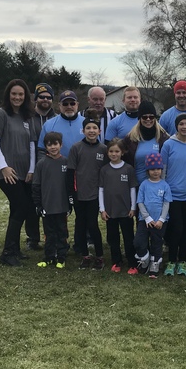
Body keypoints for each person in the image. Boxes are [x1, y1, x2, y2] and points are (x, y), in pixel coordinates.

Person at [0, 78, 37, 267]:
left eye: (21, 94)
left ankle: (15, 249)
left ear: (25, 97)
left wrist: (32, 169)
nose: (17, 97)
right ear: (8, 95)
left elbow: (32, 144)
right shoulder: (0, 114)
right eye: (14, 94)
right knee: (21, 206)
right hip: (6, 172)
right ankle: (7, 253)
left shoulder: (27, 117)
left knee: (20, 209)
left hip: (25, 172)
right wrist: (3, 166)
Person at [161, 113, 186, 276]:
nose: (184, 127)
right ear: (176, 126)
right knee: (175, 229)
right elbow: (162, 169)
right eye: (181, 124)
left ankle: (182, 261)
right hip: (172, 195)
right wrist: (163, 191)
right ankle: (171, 261)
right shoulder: (168, 144)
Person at [67, 112, 109, 270]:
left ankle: (99, 256)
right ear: (83, 131)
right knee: (80, 225)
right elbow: (70, 173)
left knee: (92, 225)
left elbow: (106, 173)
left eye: (95, 128)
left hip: (95, 195)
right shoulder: (76, 148)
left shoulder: (104, 149)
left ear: (99, 131)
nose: (91, 131)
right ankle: (85, 255)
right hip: (79, 194)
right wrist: (72, 194)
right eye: (88, 128)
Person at [99, 139, 138, 274]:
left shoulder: (128, 169)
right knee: (113, 238)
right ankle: (117, 261)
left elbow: (132, 189)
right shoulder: (104, 170)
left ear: (122, 152)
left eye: (117, 151)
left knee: (129, 238)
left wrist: (133, 207)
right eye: (111, 151)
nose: (114, 154)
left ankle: (132, 262)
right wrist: (102, 209)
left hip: (126, 211)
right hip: (110, 212)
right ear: (107, 152)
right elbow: (101, 190)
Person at [25, 82, 56, 251]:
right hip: (32, 167)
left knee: (51, 204)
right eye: (42, 97)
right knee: (33, 204)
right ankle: (33, 237)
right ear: (36, 99)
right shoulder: (27, 117)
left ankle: (53, 237)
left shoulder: (56, 118)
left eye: (48, 97)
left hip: (51, 168)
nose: (45, 100)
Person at [32, 131, 69, 268]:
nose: (53, 147)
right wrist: (38, 204)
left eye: (55, 144)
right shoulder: (41, 164)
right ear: (45, 147)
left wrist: (70, 203)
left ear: (61, 145)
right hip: (47, 206)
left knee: (62, 232)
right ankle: (48, 256)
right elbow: (36, 185)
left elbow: (70, 185)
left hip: (62, 206)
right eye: (49, 145)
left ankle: (61, 257)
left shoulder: (66, 162)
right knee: (49, 232)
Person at [134, 153, 173, 279]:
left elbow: (166, 204)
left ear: (161, 169)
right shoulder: (144, 185)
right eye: (152, 169)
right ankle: (144, 259)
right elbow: (140, 202)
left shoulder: (165, 185)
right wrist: (147, 218)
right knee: (139, 242)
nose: (155, 172)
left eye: (158, 169)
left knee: (157, 243)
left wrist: (161, 219)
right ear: (147, 170)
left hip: (160, 222)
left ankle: (155, 264)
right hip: (144, 221)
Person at [121, 100, 169, 184]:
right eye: (144, 117)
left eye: (151, 117)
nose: (148, 119)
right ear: (139, 118)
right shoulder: (130, 139)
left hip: (157, 187)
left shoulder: (164, 138)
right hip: (136, 186)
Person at [37, 90, 84, 158]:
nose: (69, 107)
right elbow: (41, 150)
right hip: (56, 166)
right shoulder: (49, 125)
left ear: (77, 104)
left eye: (72, 103)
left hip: (81, 167)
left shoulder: (87, 124)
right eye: (65, 104)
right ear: (59, 105)